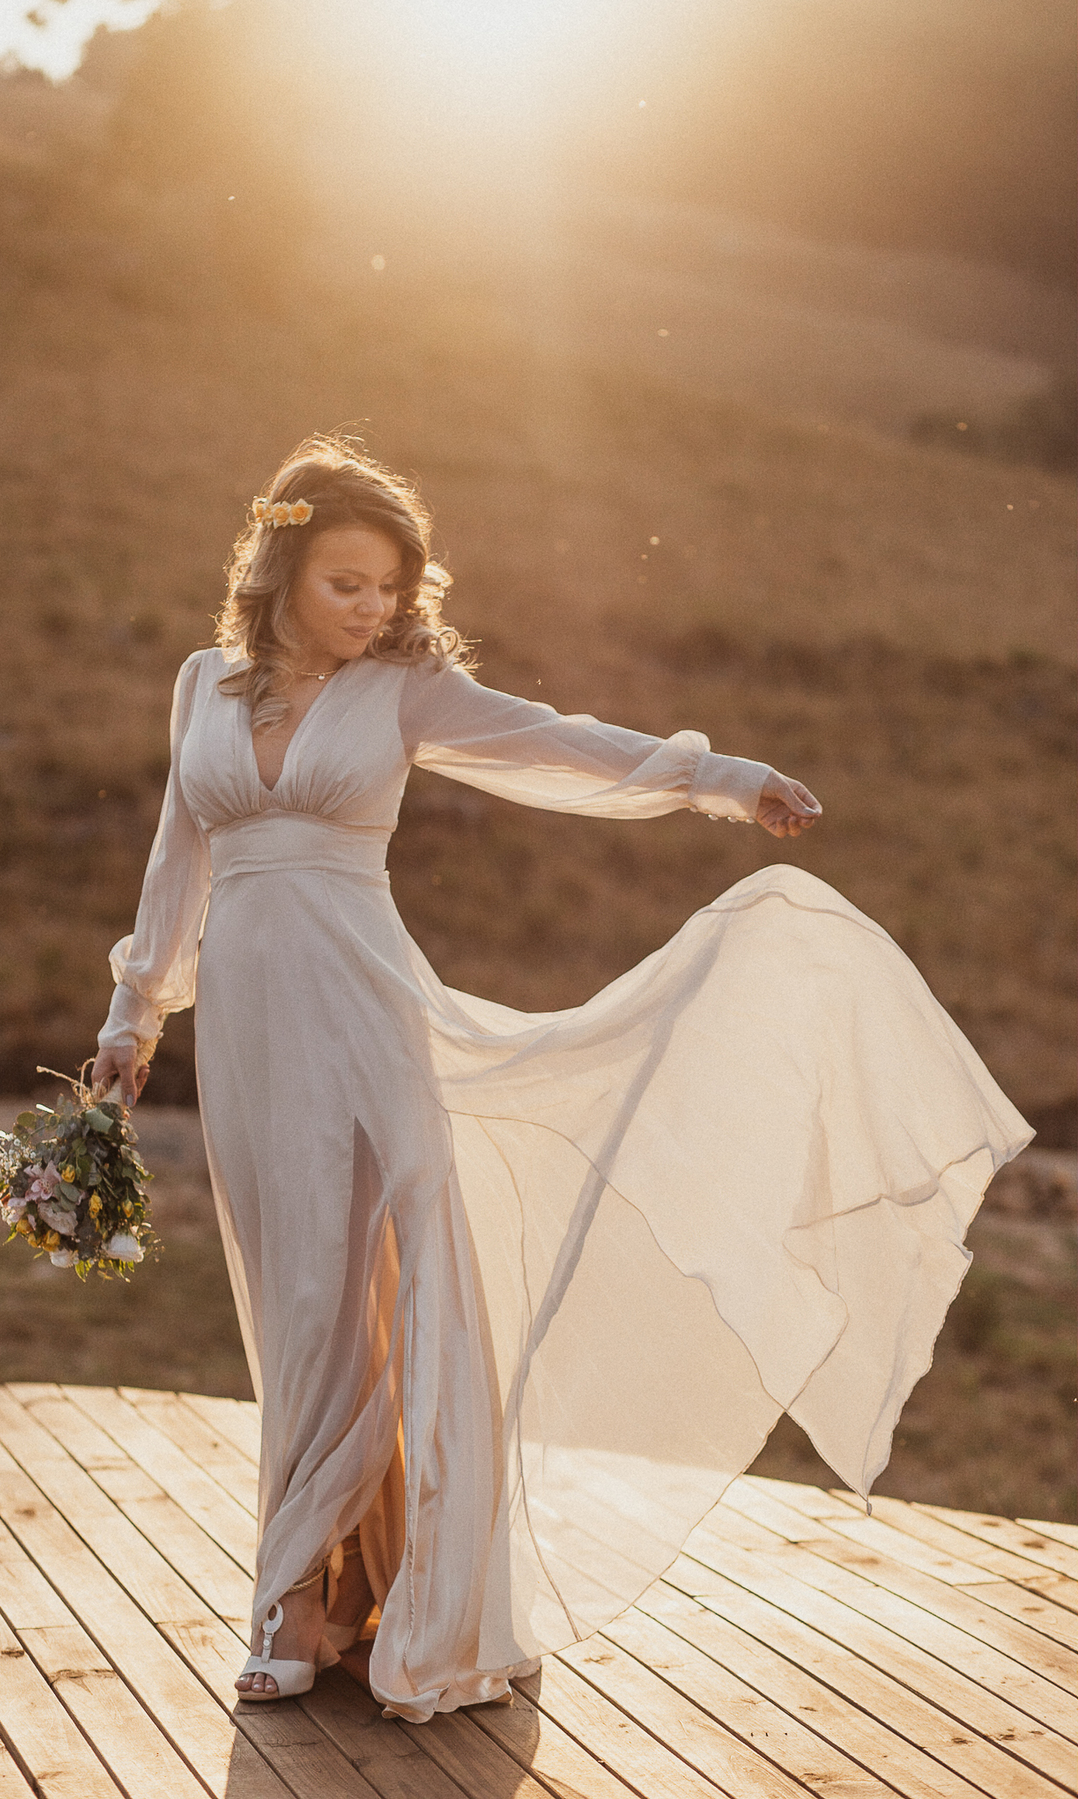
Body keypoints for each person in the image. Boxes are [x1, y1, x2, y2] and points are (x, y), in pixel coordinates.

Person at [91, 435, 1029, 1722]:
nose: (372, 609)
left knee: (394, 1272)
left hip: (372, 1009)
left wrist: (722, 779)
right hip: (251, 1025)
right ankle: (317, 1582)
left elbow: (561, 744)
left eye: (388, 588)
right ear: (279, 568)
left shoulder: (406, 689)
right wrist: (134, 1012)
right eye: (346, 584)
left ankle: (333, 1591)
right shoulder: (204, 681)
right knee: (298, 1285)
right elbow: (178, 853)